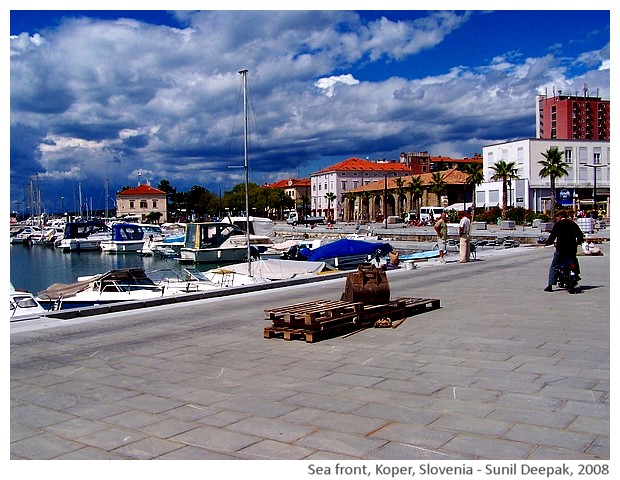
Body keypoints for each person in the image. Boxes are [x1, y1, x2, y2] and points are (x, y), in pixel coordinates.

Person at [544, 210, 584, 292]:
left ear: (560, 217)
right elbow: (580, 235)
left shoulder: (558, 225)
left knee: (554, 265)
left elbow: (552, 236)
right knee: (574, 261)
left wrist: (547, 243)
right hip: (572, 249)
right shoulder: (572, 224)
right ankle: (576, 275)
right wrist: (578, 242)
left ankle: (550, 285)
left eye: (557, 217)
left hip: (561, 249)